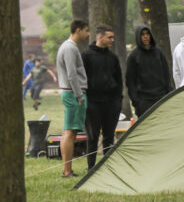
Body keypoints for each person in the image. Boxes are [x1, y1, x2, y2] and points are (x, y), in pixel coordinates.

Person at [81, 24, 123, 170]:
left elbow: (119, 81)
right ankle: (91, 168)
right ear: (100, 37)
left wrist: (118, 101)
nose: (112, 40)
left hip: (111, 103)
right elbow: (82, 79)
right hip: (93, 103)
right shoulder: (86, 56)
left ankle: (107, 169)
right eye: (109, 37)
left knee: (109, 137)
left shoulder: (113, 58)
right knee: (92, 137)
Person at [56, 18, 90, 178]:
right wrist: (79, 95)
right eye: (86, 30)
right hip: (72, 93)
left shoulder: (69, 47)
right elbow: (71, 74)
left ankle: (67, 169)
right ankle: (67, 171)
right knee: (69, 132)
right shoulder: (69, 48)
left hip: (71, 93)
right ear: (78, 30)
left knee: (69, 132)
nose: (88, 34)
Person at [126, 24, 173, 118]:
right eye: (142, 34)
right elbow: (130, 81)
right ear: (138, 37)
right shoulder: (133, 56)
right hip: (144, 100)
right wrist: (136, 103)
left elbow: (166, 75)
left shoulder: (159, 53)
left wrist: (169, 94)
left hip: (161, 97)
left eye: (147, 33)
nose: (146, 36)